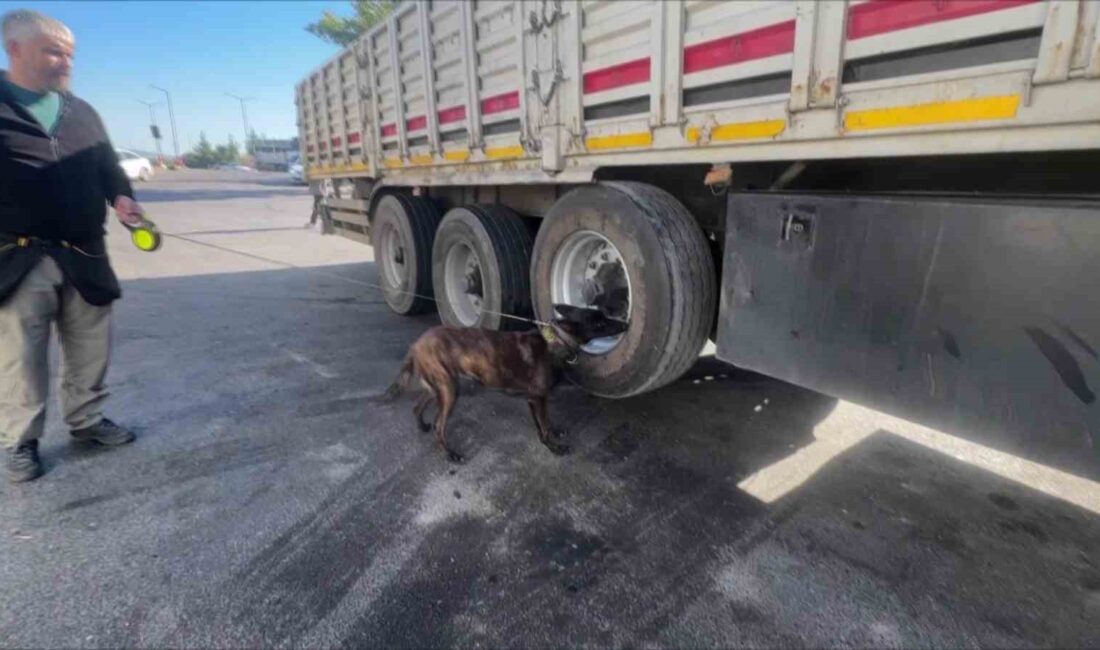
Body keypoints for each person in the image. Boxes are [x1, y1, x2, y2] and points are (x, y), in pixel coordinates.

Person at [1, 9, 143, 483]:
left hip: (84, 250)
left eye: (70, 54)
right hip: (19, 255)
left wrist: (122, 196)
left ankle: (86, 421)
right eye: (54, 51)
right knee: (21, 353)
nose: (66, 62)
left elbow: (109, 169)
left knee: (89, 344)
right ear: (15, 49)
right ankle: (21, 440)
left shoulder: (81, 111)